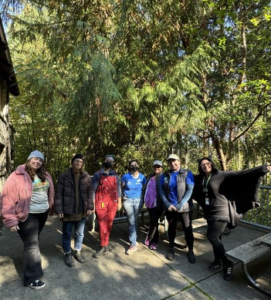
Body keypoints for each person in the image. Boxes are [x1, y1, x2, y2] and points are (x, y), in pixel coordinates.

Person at [193, 157, 271, 281]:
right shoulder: (201, 179)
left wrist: (262, 169)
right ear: (200, 167)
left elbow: (240, 174)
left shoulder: (221, 175)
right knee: (217, 238)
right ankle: (217, 261)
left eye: (207, 163)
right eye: (202, 165)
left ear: (211, 164)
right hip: (209, 212)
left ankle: (227, 263)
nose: (205, 166)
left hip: (221, 211)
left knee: (212, 236)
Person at [0, 150, 54, 289]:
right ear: (29, 159)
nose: (37, 162)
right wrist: (10, 220)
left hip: (42, 214)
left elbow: (49, 192)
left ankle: (32, 264)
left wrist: (51, 207)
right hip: (27, 215)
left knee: (33, 242)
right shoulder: (16, 175)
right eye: (35, 159)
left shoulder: (45, 174)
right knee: (31, 245)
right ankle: (31, 278)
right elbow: (7, 198)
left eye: (40, 160)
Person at [55, 154, 94, 267]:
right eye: (76, 161)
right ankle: (67, 253)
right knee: (67, 233)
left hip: (81, 210)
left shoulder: (86, 176)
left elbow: (90, 192)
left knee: (80, 233)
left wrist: (90, 207)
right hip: (68, 211)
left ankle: (78, 251)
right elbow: (58, 193)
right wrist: (59, 209)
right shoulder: (64, 176)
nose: (78, 163)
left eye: (81, 162)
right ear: (72, 162)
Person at [160, 154, 196, 263]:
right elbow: (161, 190)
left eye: (174, 161)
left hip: (184, 208)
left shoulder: (187, 173)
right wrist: (167, 203)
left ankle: (190, 250)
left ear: (179, 161)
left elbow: (190, 190)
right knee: (171, 228)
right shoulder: (165, 175)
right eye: (170, 161)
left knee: (187, 229)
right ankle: (171, 248)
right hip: (170, 208)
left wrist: (180, 205)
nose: (172, 163)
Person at [92, 155, 122, 258]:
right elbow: (93, 190)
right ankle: (103, 245)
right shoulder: (97, 174)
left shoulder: (115, 175)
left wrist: (119, 202)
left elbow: (118, 189)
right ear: (104, 161)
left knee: (109, 224)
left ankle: (106, 244)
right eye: (107, 160)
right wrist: (92, 204)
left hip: (112, 203)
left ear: (113, 163)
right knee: (102, 224)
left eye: (111, 161)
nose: (109, 162)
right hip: (101, 203)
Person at [121, 159, 147, 255]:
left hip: (138, 201)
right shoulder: (125, 176)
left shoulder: (142, 177)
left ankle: (133, 238)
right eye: (131, 165)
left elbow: (145, 188)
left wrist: (142, 198)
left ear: (138, 165)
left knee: (134, 219)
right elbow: (122, 187)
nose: (134, 166)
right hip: (127, 200)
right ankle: (133, 244)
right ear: (129, 167)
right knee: (131, 220)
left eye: (135, 164)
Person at [143, 160, 164, 250]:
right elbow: (146, 189)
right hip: (150, 204)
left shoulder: (164, 177)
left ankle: (153, 239)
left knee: (154, 222)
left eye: (158, 167)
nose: (157, 168)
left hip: (159, 204)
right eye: (155, 167)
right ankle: (151, 237)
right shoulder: (149, 177)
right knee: (153, 221)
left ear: (161, 168)